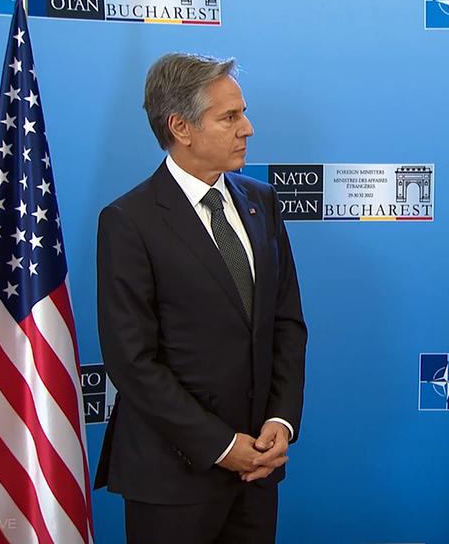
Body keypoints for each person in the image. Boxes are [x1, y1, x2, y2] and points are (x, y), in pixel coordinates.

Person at [94, 53, 307, 544]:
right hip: (171, 482)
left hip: (257, 473)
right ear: (180, 127)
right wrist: (219, 445)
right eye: (229, 117)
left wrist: (280, 420)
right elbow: (132, 361)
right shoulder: (129, 221)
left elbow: (286, 324)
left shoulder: (262, 203)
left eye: (243, 112)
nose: (248, 128)